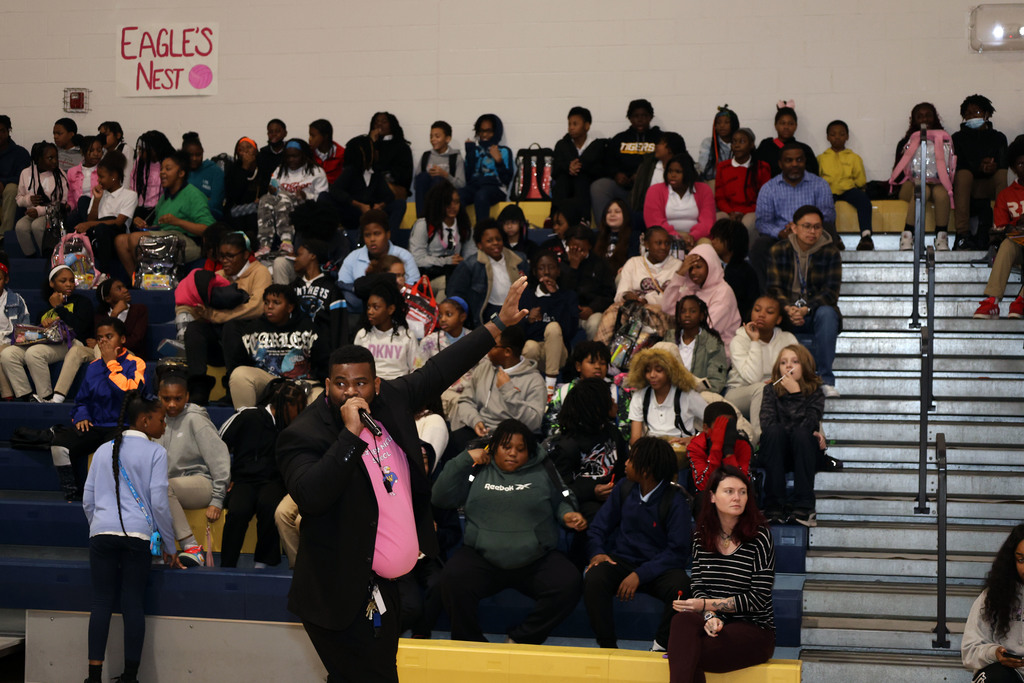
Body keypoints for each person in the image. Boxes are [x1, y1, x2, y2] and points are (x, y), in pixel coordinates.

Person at [275, 276, 528, 681]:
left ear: (377, 384)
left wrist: (497, 324)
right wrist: (350, 434)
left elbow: (443, 367)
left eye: (360, 383)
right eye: (340, 384)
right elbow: (311, 496)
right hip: (337, 593)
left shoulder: (392, 399)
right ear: (327, 386)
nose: (350, 392)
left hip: (384, 587)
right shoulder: (303, 435)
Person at [432, 419, 587, 644]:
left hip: (534, 560)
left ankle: (522, 637)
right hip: (483, 558)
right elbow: (440, 497)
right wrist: (465, 459)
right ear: (495, 448)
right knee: (452, 580)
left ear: (529, 451)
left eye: (520, 449)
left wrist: (566, 514)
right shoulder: (478, 470)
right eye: (507, 447)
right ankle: (471, 642)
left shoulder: (543, 469)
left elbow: (563, 497)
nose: (513, 453)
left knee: (569, 583)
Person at [82, 392, 179, 683]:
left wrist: (99, 526)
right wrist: (170, 546)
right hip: (137, 536)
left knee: (101, 602)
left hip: (101, 534)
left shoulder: (102, 450)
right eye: (161, 420)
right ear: (144, 420)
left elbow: (88, 500)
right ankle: (130, 677)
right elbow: (160, 502)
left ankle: (94, 677)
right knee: (132, 603)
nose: (164, 426)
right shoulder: (156, 453)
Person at [669, 466, 775, 682]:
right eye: (729, 491)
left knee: (687, 652)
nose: (737, 497)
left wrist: (706, 606)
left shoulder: (760, 536)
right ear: (712, 497)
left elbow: (758, 599)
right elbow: (698, 587)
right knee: (681, 622)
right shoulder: (701, 535)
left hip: (754, 628)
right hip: (715, 623)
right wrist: (711, 617)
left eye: (743, 491)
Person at [585, 437, 691, 650]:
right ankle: (608, 647)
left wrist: (640, 575)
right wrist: (597, 552)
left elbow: (678, 551)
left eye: (631, 459)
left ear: (646, 470)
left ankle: (660, 645)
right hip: (623, 561)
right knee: (594, 577)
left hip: (658, 568)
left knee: (681, 587)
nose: (625, 463)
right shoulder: (624, 488)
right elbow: (598, 528)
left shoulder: (676, 500)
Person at [50, 316, 145, 502]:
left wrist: (111, 364)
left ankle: (113, 499)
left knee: (111, 453)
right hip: (95, 426)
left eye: (109, 337)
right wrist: (82, 415)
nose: (103, 342)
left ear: (122, 340)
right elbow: (81, 400)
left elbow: (130, 395)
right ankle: (73, 494)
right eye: (100, 338)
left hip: (123, 425)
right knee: (59, 445)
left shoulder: (136, 363)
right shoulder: (93, 367)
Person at [219, 379, 306, 568]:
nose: (300, 412)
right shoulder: (248, 415)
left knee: (270, 506)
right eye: (297, 406)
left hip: (274, 481)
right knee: (238, 511)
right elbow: (219, 444)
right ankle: (227, 563)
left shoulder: (295, 428)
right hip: (243, 480)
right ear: (285, 405)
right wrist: (226, 476)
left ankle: (264, 561)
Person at [181, 232, 271, 405]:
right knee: (194, 328)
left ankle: (233, 387)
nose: (225, 260)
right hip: (220, 341)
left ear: (245, 255)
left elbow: (257, 307)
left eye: (230, 256)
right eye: (222, 256)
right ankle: (199, 387)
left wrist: (217, 316)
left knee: (232, 325)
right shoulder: (219, 275)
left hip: (248, 343)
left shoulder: (260, 272)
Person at [766, 205, 842, 397]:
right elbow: (774, 288)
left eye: (817, 227)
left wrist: (805, 308)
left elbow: (830, 292)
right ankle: (778, 379)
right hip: (787, 310)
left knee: (828, 313)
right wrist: (790, 309)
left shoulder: (830, 252)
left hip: (814, 310)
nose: (812, 231)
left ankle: (825, 380)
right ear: (794, 227)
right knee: (767, 310)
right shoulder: (779, 250)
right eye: (807, 226)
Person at [156, 371, 231, 568]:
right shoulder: (156, 419)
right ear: (159, 397)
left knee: (162, 487)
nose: (172, 404)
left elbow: (219, 458)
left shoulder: (196, 419)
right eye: (166, 399)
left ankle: (191, 547)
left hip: (200, 483)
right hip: (170, 487)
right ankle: (157, 547)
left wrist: (217, 498)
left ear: (187, 397)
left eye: (178, 399)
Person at [222, 284, 326, 408]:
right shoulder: (253, 329)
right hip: (267, 382)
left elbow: (323, 361)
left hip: (301, 383)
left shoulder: (308, 328)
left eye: (276, 302)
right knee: (239, 374)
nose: (269, 307)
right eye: (266, 303)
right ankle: (247, 420)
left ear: (290, 307)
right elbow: (238, 362)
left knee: (319, 397)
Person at [47, 278, 148, 405]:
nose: (125, 290)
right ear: (108, 298)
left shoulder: (139, 310)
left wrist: (114, 317)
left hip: (127, 352)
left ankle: (104, 395)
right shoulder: (100, 315)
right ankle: (57, 398)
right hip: (98, 351)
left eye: (124, 287)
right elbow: (99, 337)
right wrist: (113, 316)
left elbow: (136, 340)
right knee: (77, 350)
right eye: (119, 288)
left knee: (101, 346)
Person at [450, 323, 546, 454]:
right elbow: (466, 400)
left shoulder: (534, 380)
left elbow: (534, 423)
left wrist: (508, 390)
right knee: (453, 443)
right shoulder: (484, 367)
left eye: (492, 346)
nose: (487, 351)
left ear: (507, 352)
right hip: (481, 431)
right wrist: (475, 421)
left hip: (511, 439)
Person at [1, 265, 93, 402]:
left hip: (71, 343)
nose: (69, 284)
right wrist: (42, 328)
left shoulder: (82, 302)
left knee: (34, 353)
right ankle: (26, 396)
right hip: (46, 343)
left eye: (72, 281)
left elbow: (80, 328)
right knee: (8, 354)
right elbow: (35, 336)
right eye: (63, 281)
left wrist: (59, 308)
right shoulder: (44, 312)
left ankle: (45, 397)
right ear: (52, 283)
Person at [117, 150, 214, 275]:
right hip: (167, 238)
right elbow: (160, 227)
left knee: (137, 239)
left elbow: (208, 229)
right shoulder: (165, 197)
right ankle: (136, 282)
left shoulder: (193, 195)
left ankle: (147, 278)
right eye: (161, 169)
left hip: (190, 243)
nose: (162, 172)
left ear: (181, 173)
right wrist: (145, 226)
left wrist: (178, 222)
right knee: (120, 240)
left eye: (167, 169)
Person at [759, 344, 826, 526]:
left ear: (804, 365)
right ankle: (774, 504)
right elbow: (767, 424)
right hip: (776, 451)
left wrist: (796, 394)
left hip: (804, 452)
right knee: (774, 432)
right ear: (777, 368)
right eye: (783, 362)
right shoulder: (770, 390)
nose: (788, 366)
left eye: (795, 362)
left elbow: (809, 424)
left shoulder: (815, 392)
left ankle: (804, 505)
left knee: (802, 434)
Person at [545, 377, 627, 523]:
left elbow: (623, 471)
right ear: (597, 407)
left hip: (614, 496)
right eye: (609, 399)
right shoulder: (566, 446)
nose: (614, 402)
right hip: (584, 505)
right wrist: (592, 491)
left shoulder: (613, 433)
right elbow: (560, 491)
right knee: (600, 516)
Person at [725, 295, 797, 442]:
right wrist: (755, 341)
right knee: (761, 389)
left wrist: (777, 383)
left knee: (807, 391)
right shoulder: (739, 340)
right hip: (739, 393)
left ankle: (817, 444)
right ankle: (760, 441)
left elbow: (797, 371)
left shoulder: (787, 339)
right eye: (757, 310)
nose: (761, 315)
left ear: (778, 319)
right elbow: (752, 378)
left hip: (777, 390)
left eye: (769, 312)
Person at [596, 226, 681, 342]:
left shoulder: (678, 266)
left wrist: (647, 300)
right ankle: (601, 353)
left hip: (663, 312)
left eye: (667, 243)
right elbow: (620, 294)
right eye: (658, 243)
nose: (664, 247)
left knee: (651, 315)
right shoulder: (633, 263)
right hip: (633, 310)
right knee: (612, 314)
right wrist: (629, 296)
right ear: (646, 244)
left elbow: (678, 298)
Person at [962, 523, 1024, 682]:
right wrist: (995, 654)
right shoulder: (994, 596)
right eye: (1021, 560)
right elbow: (969, 651)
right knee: (996, 677)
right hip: (1006, 675)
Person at [973, 138, 1024, 320]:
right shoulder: (1006, 195)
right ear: (1013, 167)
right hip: (1019, 248)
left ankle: (1021, 301)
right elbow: (1001, 229)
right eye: (1020, 163)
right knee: (1008, 244)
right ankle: (992, 302)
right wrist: (1018, 223)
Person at [952, 94, 1009, 251]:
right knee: (963, 175)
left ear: (987, 114)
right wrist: (978, 167)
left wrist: (991, 167)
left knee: (1002, 175)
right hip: (965, 187)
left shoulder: (998, 138)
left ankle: (1000, 230)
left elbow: (1003, 164)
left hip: (989, 185)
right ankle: (962, 235)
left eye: (976, 112)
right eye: (968, 114)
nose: (972, 117)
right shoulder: (957, 138)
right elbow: (956, 166)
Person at [662, 243, 741, 354]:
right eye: (690, 268)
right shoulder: (693, 289)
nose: (693, 272)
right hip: (690, 346)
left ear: (711, 266)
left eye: (698, 267)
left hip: (716, 352)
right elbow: (667, 307)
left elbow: (707, 330)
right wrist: (680, 273)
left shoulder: (723, 292)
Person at [893, 102, 952, 252]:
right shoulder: (905, 142)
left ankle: (941, 238)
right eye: (919, 116)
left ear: (935, 118)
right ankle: (907, 236)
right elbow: (898, 172)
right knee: (922, 188)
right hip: (910, 185)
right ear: (913, 119)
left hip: (937, 184)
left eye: (928, 115)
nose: (924, 119)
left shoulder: (946, 141)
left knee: (942, 193)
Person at [446, 218, 526, 327]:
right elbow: (454, 294)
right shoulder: (470, 265)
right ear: (480, 245)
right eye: (489, 241)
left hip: (515, 311)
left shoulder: (519, 260)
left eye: (498, 239)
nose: (495, 243)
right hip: (487, 315)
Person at [591, 99, 661, 221]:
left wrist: (642, 175)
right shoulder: (619, 139)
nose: (640, 119)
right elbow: (607, 163)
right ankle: (604, 232)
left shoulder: (660, 138)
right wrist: (616, 174)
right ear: (629, 118)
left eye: (644, 116)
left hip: (649, 189)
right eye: (635, 116)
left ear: (650, 117)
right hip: (624, 189)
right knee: (599, 186)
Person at [256, 138, 328, 258]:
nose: (291, 160)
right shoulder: (280, 170)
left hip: (306, 208)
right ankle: (265, 244)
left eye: (295, 156)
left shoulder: (316, 171)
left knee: (283, 197)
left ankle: (287, 241)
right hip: (281, 207)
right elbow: (273, 195)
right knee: (265, 199)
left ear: (303, 155)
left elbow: (324, 199)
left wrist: (306, 196)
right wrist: (272, 193)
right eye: (288, 156)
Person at [544, 341, 631, 439]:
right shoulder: (564, 392)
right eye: (592, 362)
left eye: (602, 363)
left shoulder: (618, 393)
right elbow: (550, 426)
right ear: (578, 366)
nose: (598, 367)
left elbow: (626, 429)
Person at [627, 343, 707, 448]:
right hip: (652, 451)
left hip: (681, 452)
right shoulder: (640, 396)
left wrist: (692, 439)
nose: (652, 375)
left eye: (659, 370)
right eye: (648, 370)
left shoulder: (687, 395)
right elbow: (635, 439)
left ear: (671, 371)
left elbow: (716, 424)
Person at [336, 210, 420, 312]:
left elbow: (413, 291)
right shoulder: (353, 257)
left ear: (388, 234)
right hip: (362, 311)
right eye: (367, 235)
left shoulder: (404, 256)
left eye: (377, 234)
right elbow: (343, 287)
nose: (372, 239)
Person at [520, 249, 578, 395]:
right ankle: (528, 387)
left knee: (553, 327)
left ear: (558, 271)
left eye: (551, 267)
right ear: (534, 272)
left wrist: (555, 296)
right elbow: (520, 333)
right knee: (530, 345)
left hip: (559, 352)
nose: (546, 272)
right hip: (535, 352)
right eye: (541, 268)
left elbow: (569, 330)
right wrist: (528, 319)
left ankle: (550, 388)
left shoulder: (567, 296)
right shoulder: (527, 296)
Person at [73, 150, 136, 275]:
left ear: (114, 176)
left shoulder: (129, 195)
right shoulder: (100, 194)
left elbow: (119, 222)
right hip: (97, 236)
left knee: (102, 228)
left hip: (116, 236)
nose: (99, 181)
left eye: (102, 177)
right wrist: (96, 200)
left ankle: (105, 272)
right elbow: (89, 220)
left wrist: (91, 224)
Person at [327, 134, 403, 238]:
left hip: (371, 211)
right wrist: (358, 204)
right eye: (373, 150)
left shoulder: (375, 172)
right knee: (324, 197)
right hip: (353, 212)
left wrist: (381, 205)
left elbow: (389, 195)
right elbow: (335, 190)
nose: (376, 152)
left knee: (400, 204)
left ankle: (388, 240)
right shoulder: (350, 171)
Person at [817, 120, 874, 251]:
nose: (837, 137)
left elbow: (860, 179)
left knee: (864, 202)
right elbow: (817, 179)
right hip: (828, 190)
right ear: (827, 137)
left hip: (849, 189)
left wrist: (859, 186)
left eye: (841, 134)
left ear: (847, 136)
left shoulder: (854, 157)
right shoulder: (821, 158)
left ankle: (866, 236)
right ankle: (834, 237)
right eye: (833, 134)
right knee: (825, 207)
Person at [414, 296, 472, 419]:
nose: (443, 319)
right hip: (439, 395)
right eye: (440, 315)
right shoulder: (429, 341)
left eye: (448, 314)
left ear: (462, 317)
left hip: (468, 393)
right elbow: (418, 371)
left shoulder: (473, 339)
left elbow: (481, 371)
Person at [643, 152, 716, 245]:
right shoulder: (655, 191)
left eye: (678, 172)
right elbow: (654, 223)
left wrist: (692, 237)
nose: (672, 175)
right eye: (670, 171)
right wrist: (678, 237)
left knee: (706, 244)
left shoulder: (704, 189)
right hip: (667, 237)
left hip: (696, 238)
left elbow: (707, 222)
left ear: (688, 173)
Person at [352, 280, 418, 381]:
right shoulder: (362, 335)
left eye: (376, 307)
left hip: (399, 387)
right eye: (368, 307)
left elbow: (416, 369)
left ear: (390, 309)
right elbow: (355, 368)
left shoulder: (407, 335)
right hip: (371, 386)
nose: (370, 311)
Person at [408, 180, 474, 281]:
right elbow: (417, 259)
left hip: (455, 274)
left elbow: (471, 258)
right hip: (429, 276)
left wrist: (463, 261)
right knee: (445, 284)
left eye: (456, 202)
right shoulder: (424, 225)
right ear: (438, 204)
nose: (453, 206)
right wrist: (446, 261)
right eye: (448, 203)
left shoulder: (464, 226)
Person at [715, 127, 770, 245]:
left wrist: (742, 212)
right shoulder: (723, 167)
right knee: (718, 219)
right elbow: (720, 197)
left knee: (749, 223)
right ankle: (721, 260)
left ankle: (749, 259)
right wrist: (731, 212)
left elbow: (764, 199)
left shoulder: (762, 167)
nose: (737, 145)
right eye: (734, 141)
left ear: (751, 145)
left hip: (752, 211)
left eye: (742, 141)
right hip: (728, 211)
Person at [561, 223, 615, 340]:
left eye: (582, 249)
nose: (577, 251)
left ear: (589, 246)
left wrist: (592, 308)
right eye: (574, 247)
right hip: (567, 311)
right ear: (568, 244)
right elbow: (562, 292)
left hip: (592, 311)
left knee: (595, 323)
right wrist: (573, 268)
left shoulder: (600, 263)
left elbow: (608, 294)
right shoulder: (560, 264)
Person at [552, 106, 605, 223]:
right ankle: (555, 218)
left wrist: (580, 167)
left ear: (587, 126)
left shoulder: (597, 145)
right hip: (566, 181)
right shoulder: (562, 145)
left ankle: (584, 219)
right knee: (562, 180)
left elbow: (601, 169)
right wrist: (568, 168)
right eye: (569, 124)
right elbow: (555, 170)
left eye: (575, 124)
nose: (571, 128)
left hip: (587, 182)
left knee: (582, 179)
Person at [15, 141, 69, 257]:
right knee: (20, 226)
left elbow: (63, 203)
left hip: (52, 214)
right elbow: (19, 199)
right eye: (50, 158)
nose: (55, 161)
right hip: (31, 213)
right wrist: (29, 200)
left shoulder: (60, 175)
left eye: (56, 157)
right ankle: (32, 257)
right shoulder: (26, 173)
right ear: (38, 159)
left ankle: (48, 256)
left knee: (37, 225)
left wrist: (40, 211)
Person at [686, 402, 752, 494]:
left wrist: (729, 451)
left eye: (730, 426)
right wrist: (716, 449)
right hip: (709, 498)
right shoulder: (696, 446)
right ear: (705, 428)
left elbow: (742, 484)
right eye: (721, 427)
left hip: (736, 496)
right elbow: (703, 486)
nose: (726, 431)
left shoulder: (742, 445)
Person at [461, 113, 514, 222]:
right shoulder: (474, 150)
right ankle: (459, 233)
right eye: (481, 131)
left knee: (481, 195)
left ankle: (482, 233)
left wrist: (499, 161)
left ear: (496, 132)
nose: (484, 135)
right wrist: (470, 154)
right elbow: (467, 178)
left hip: (495, 188)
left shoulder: (504, 151)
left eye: (488, 131)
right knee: (456, 196)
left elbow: (507, 180)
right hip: (475, 186)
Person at [674, 295, 728, 394]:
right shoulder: (669, 339)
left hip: (698, 395)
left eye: (693, 311)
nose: (687, 315)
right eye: (683, 311)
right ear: (678, 316)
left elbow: (716, 382)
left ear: (702, 316)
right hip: (669, 392)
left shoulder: (713, 343)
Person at [709, 218, 759, 323]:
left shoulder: (747, 272)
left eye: (718, 238)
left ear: (731, 241)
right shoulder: (709, 265)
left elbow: (750, 306)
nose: (713, 241)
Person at [413, 120, 466, 218]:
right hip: (427, 198)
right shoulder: (426, 156)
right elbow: (417, 184)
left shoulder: (455, 157)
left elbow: (461, 184)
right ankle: (421, 220)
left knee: (438, 180)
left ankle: (437, 218)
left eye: (437, 136)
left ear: (447, 139)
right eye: (431, 136)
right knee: (423, 176)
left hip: (445, 199)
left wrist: (445, 175)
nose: (433, 139)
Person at [631, 132, 688, 216]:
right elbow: (638, 195)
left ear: (669, 149)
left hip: (676, 213)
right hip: (647, 212)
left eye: (660, 143)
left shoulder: (686, 168)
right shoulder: (647, 165)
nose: (656, 146)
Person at [755, 104, 818, 177]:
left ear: (796, 126)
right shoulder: (766, 146)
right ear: (775, 125)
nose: (786, 127)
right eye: (782, 123)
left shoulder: (804, 149)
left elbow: (813, 176)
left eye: (790, 124)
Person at [224, 136, 268, 240]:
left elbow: (267, 187)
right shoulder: (233, 169)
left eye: (249, 147)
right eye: (241, 149)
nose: (245, 151)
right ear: (237, 153)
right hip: (237, 209)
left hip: (258, 206)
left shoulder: (263, 167)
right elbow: (233, 196)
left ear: (256, 150)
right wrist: (245, 168)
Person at [0, 252, 30, 399]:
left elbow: (24, 330)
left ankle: (8, 396)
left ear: (6, 279)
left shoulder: (16, 301)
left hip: (10, 344)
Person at [368, 111, 414, 205]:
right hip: (373, 184)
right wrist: (371, 143)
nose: (379, 124)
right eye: (376, 122)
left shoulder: (401, 147)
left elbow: (404, 174)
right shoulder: (367, 145)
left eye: (384, 121)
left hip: (394, 186)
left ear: (392, 125)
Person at [129, 130, 175, 220]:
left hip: (161, 209)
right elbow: (133, 183)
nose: (140, 153)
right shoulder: (140, 161)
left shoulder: (169, 163)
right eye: (139, 149)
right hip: (141, 208)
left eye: (143, 150)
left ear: (155, 149)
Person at [0, 116, 32, 241]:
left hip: (11, 194)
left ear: (8, 131)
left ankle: (4, 236)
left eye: (2, 131)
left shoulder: (20, 153)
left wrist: (3, 182)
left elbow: (23, 176)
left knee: (11, 189)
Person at [182, 132, 225, 219]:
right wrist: (205, 199)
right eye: (190, 155)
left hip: (209, 217)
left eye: (198, 155)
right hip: (182, 217)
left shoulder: (215, 172)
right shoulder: (179, 171)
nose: (194, 158)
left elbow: (215, 203)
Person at [593, 198, 641, 273]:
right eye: (608, 212)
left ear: (625, 215)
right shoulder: (596, 236)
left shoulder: (634, 237)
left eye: (617, 212)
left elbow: (633, 262)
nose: (612, 215)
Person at [66, 135, 103, 222]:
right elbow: (70, 197)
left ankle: (87, 227)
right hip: (79, 211)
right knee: (71, 219)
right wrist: (69, 206)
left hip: (98, 210)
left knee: (84, 200)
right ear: (83, 152)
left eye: (99, 150)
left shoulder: (104, 171)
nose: (96, 154)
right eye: (91, 150)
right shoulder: (72, 172)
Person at [698, 105, 739, 181]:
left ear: (733, 124)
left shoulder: (741, 143)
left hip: (736, 181)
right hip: (714, 182)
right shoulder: (708, 143)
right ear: (715, 126)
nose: (722, 126)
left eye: (726, 122)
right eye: (718, 123)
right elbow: (704, 168)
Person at [308, 118, 345, 185]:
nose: (309, 139)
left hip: (334, 191)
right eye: (309, 135)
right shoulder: (307, 153)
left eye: (313, 136)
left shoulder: (342, 154)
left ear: (325, 136)